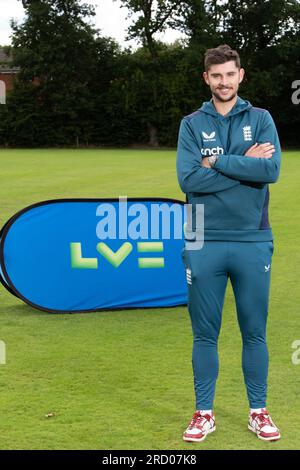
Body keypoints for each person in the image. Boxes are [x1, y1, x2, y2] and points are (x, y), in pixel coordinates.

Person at [176, 44, 281, 443]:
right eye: (216, 75)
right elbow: (188, 181)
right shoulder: (191, 124)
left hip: (253, 239)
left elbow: (269, 169)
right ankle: (204, 413)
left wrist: (215, 161)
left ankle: (259, 411)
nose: (223, 82)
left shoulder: (262, 118)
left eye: (229, 74)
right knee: (205, 333)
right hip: (203, 239)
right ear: (207, 79)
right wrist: (242, 160)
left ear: (241, 76)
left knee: (254, 331)